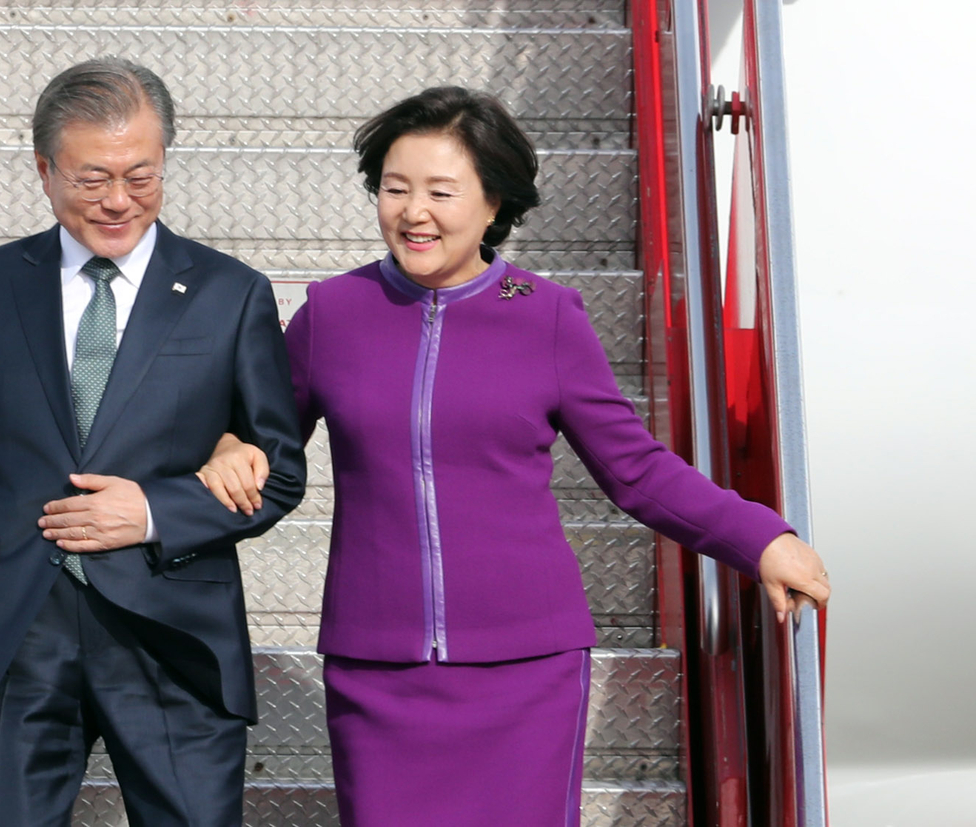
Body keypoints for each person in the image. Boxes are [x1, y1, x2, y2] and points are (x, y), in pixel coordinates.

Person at [196, 86, 830, 826]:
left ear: (493, 202)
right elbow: (262, 438)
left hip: (526, 668)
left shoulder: (547, 315)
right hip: (378, 667)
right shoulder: (331, 313)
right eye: (394, 189)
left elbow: (635, 469)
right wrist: (227, 444)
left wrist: (759, 536)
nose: (413, 212)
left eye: (440, 191)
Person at [0, 57, 306, 826]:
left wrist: (151, 511)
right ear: (44, 170)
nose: (117, 202)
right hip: (16, 631)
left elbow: (278, 471)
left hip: (174, 635)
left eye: (141, 177)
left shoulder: (229, 292)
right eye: (91, 178)